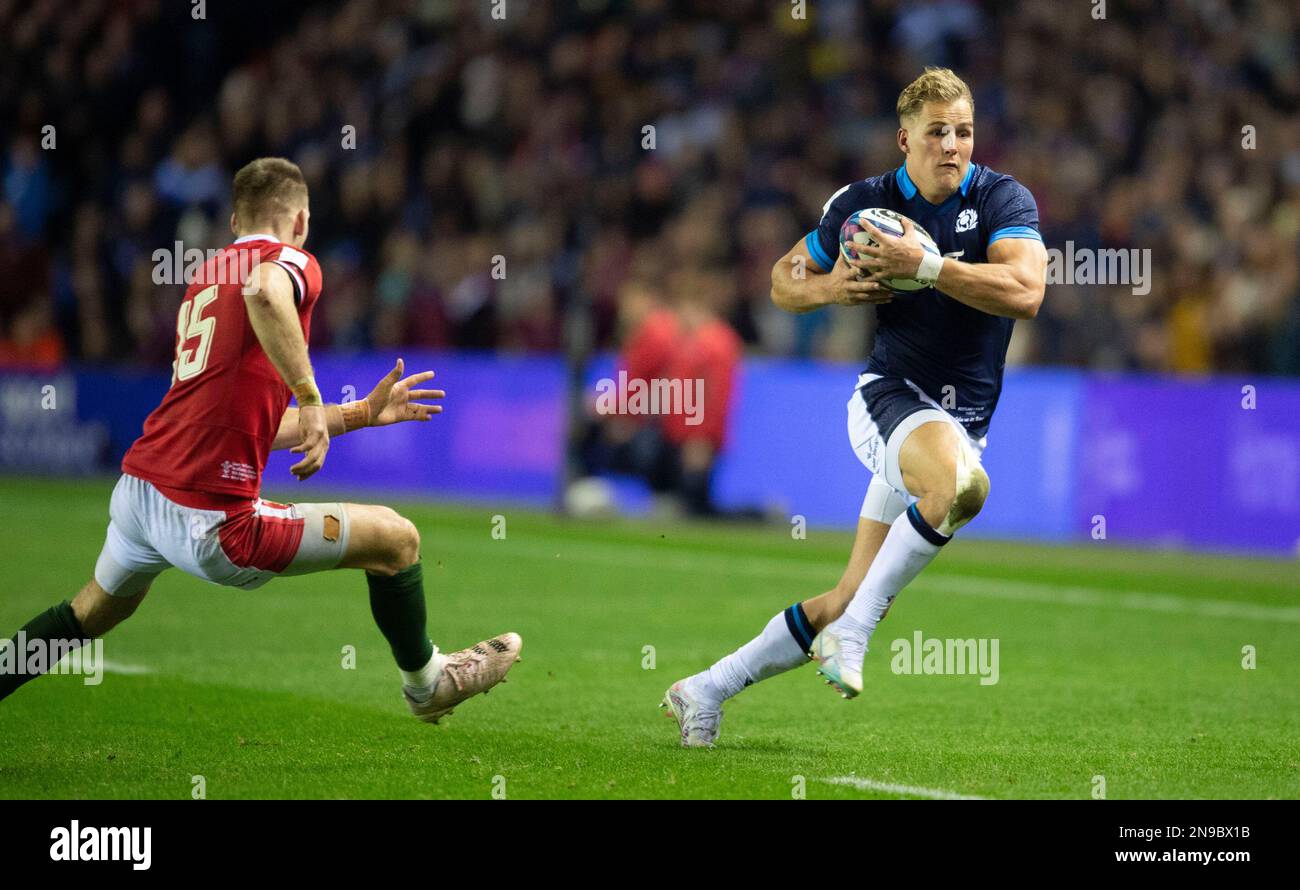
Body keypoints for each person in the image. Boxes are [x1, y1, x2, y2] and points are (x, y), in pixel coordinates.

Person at [0, 158, 521, 724]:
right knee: (397, 540)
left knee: (89, 613)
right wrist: (310, 395)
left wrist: (357, 414)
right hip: (212, 522)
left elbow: (245, 426)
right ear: (299, 220)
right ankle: (428, 684)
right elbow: (265, 291)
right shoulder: (289, 260)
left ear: (232, 222)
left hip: (140, 493)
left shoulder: (204, 278)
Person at [663, 68, 1047, 746]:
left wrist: (925, 266)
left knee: (846, 593)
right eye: (937, 133)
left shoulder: (999, 199)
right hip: (888, 402)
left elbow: (1025, 291)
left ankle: (705, 689)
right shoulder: (864, 206)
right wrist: (832, 287)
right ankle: (856, 634)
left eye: (964, 131)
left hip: (956, 428)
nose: (953, 145)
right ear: (905, 139)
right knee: (961, 488)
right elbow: (786, 280)